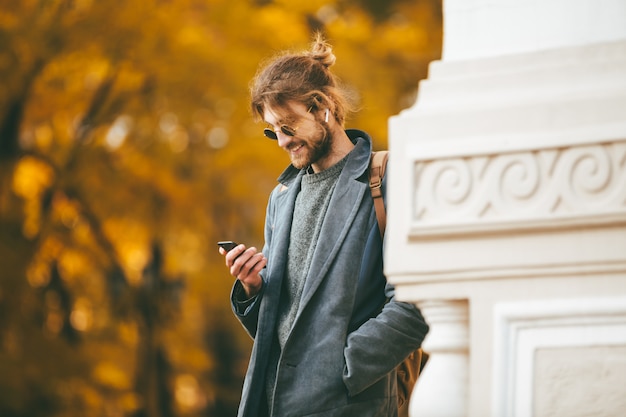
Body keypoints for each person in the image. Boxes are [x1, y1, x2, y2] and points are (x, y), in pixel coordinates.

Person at [219, 33, 429, 417]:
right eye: (273, 131)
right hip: (272, 404)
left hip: (349, 404)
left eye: (288, 125)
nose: (281, 141)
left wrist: (342, 370)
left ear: (324, 109)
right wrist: (253, 289)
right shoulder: (281, 198)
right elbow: (286, 326)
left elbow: (415, 300)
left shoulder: (386, 179)